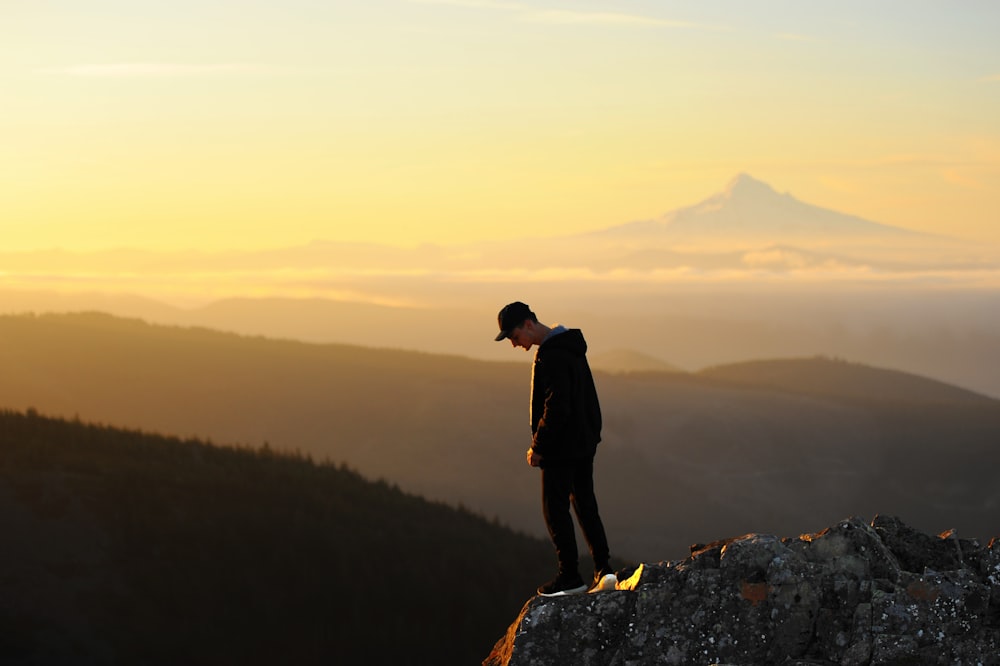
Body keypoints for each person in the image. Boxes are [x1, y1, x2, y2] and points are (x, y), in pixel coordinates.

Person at [494, 301, 616, 596]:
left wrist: (539, 446)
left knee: (555, 508)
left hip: (562, 445)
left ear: (528, 325)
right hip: (583, 441)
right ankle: (604, 570)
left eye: (513, 337)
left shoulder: (553, 355)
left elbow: (557, 405)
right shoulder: (569, 347)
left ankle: (570, 577)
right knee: (585, 502)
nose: (514, 344)